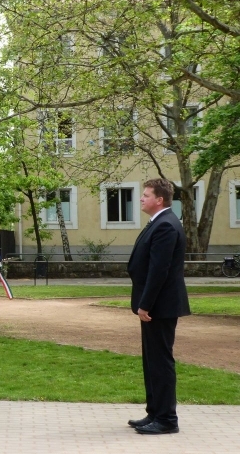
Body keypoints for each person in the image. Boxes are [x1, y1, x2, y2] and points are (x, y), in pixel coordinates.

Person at [127, 178, 190, 435]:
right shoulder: (159, 222)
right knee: (152, 360)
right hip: (156, 305)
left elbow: (159, 271)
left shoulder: (165, 226)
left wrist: (145, 305)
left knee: (161, 361)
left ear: (159, 200)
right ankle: (154, 412)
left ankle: (166, 419)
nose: (141, 198)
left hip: (159, 306)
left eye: (145, 195)